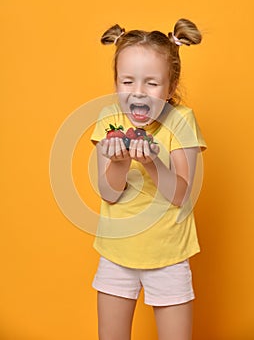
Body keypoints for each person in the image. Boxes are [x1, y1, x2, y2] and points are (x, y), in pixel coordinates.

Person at [90, 18, 207, 340]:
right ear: (116, 83)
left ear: (170, 87)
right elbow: (108, 193)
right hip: (116, 253)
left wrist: (153, 162)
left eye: (151, 83)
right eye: (127, 82)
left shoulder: (182, 120)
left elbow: (181, 195)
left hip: (169, 255)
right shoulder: (108, 119)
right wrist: (120, 162)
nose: (138, 93)